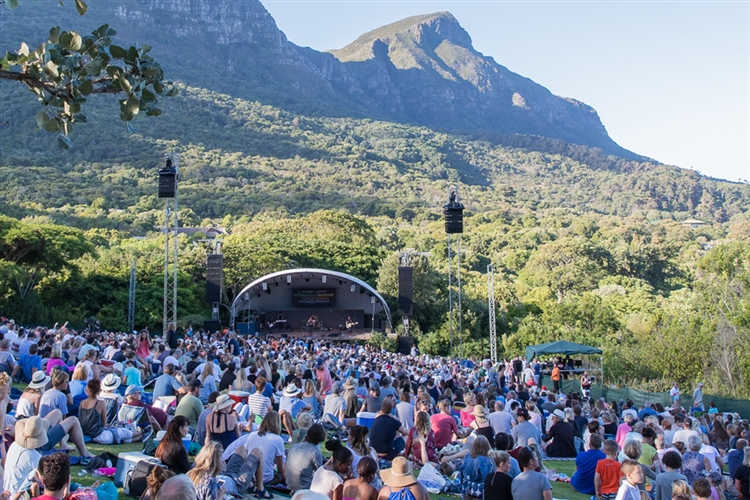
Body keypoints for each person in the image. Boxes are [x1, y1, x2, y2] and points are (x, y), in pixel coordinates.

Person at [238, 411, 286, 493]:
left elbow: (246, 454)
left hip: (249, 476)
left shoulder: (252, 435)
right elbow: (280, 468)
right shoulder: (277, 439)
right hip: (266, 479)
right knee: (285, 470)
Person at [79, 378, 138, 444]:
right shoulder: (100, 403)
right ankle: (142, 433)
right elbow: (104, 423)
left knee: (121, 436)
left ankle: (141, 435)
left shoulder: (82, 403)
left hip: (84, 433)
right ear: (99, 390)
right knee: (123, 432)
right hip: (97, 434)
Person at [286, 423, 326, 493]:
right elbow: (319, 474)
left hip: (289, 485)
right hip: (304, 489)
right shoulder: (315, 452)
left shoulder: (294, 447)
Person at [460, 435, 495, 500]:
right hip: (480, 492)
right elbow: (487, 478)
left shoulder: (467, 457)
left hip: (466, 489)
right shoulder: (486, 461)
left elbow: (462, 475)